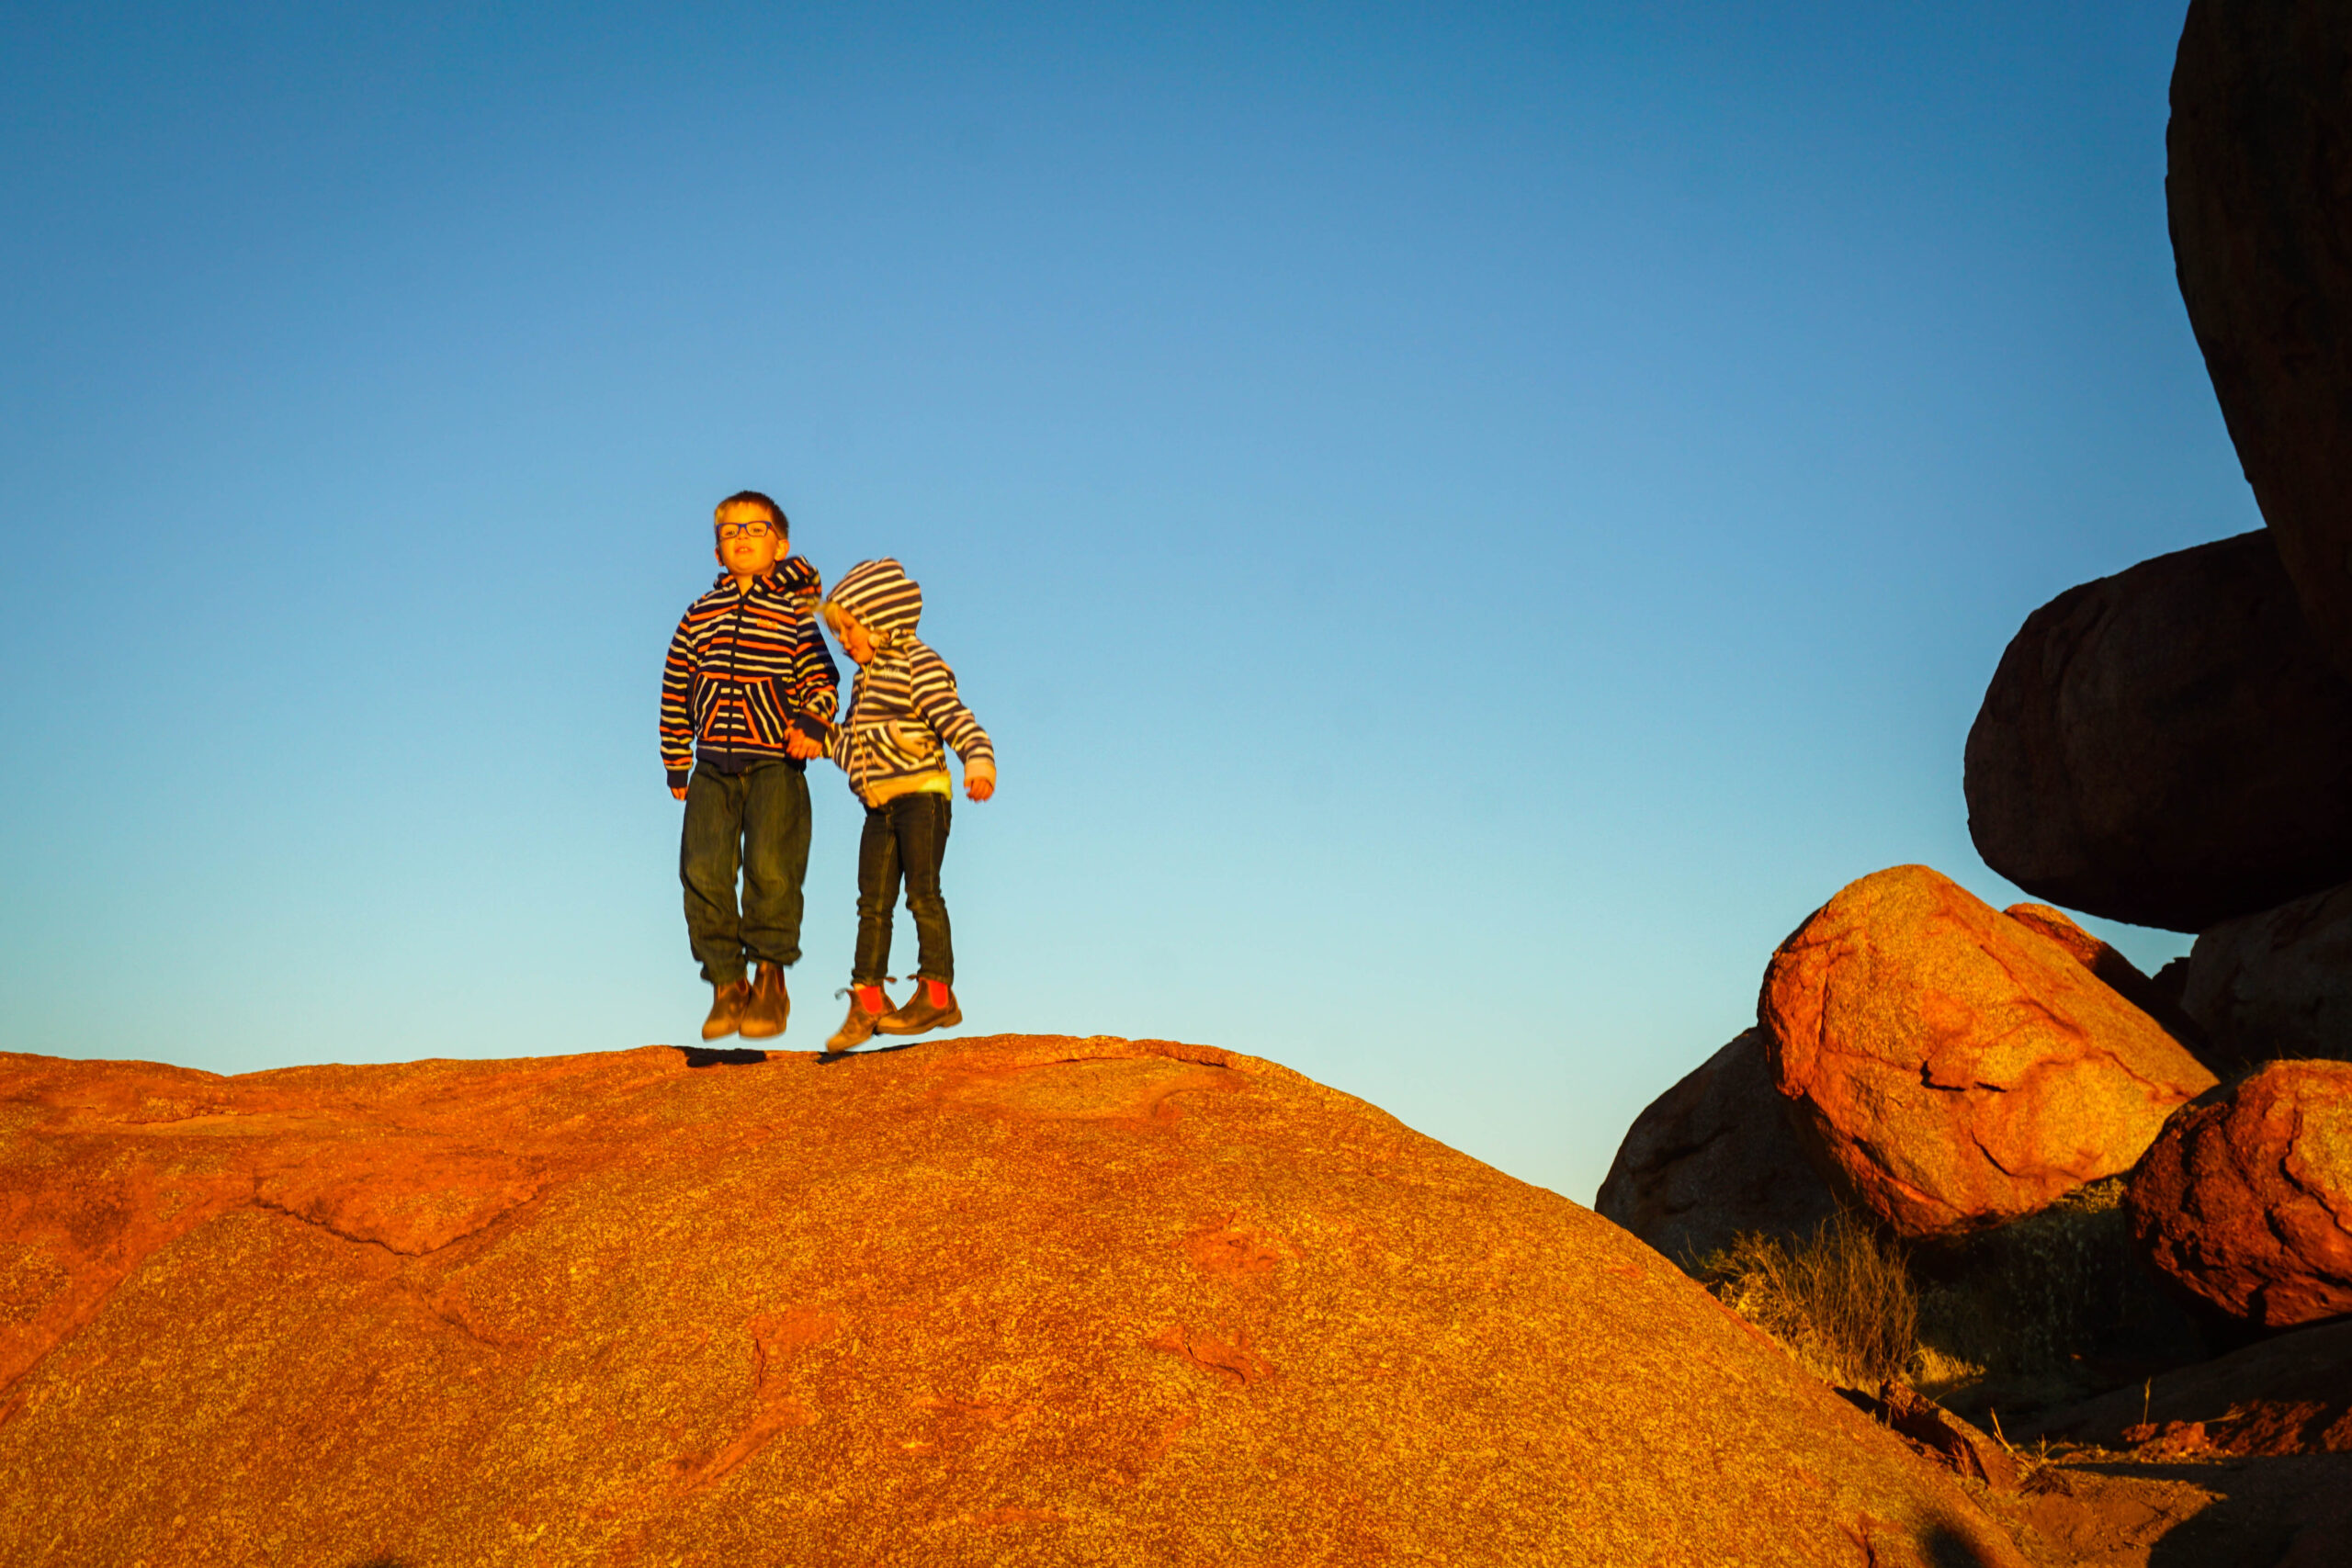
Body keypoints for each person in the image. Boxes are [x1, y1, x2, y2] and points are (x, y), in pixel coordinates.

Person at [660, 491, 839, 1042]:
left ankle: (770, 978)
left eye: (755, 529)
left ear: (779, 545)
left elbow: (823, 681)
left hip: (774, 763)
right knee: (703, 871)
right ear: (717, 551)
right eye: (730, 531)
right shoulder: (698, 615)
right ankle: (725, 983)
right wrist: (675, 758)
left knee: (771, 867)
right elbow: (674, 685)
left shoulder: (792, 614)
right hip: (711, 764)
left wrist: (812, 723)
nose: (741, 537)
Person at [800, 558, 994, 1055]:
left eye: (849, 628)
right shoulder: (863, 686)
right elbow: (855, 752)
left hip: (922, 797)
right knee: (872, 904)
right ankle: (867, 1001)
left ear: (882, 619)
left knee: (923, 893)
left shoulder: (916, 663)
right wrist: (820, 738)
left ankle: (936, 993)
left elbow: (955, 717)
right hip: (878, 807)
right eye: (838, 632)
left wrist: (978, 761)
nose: (844, 641)